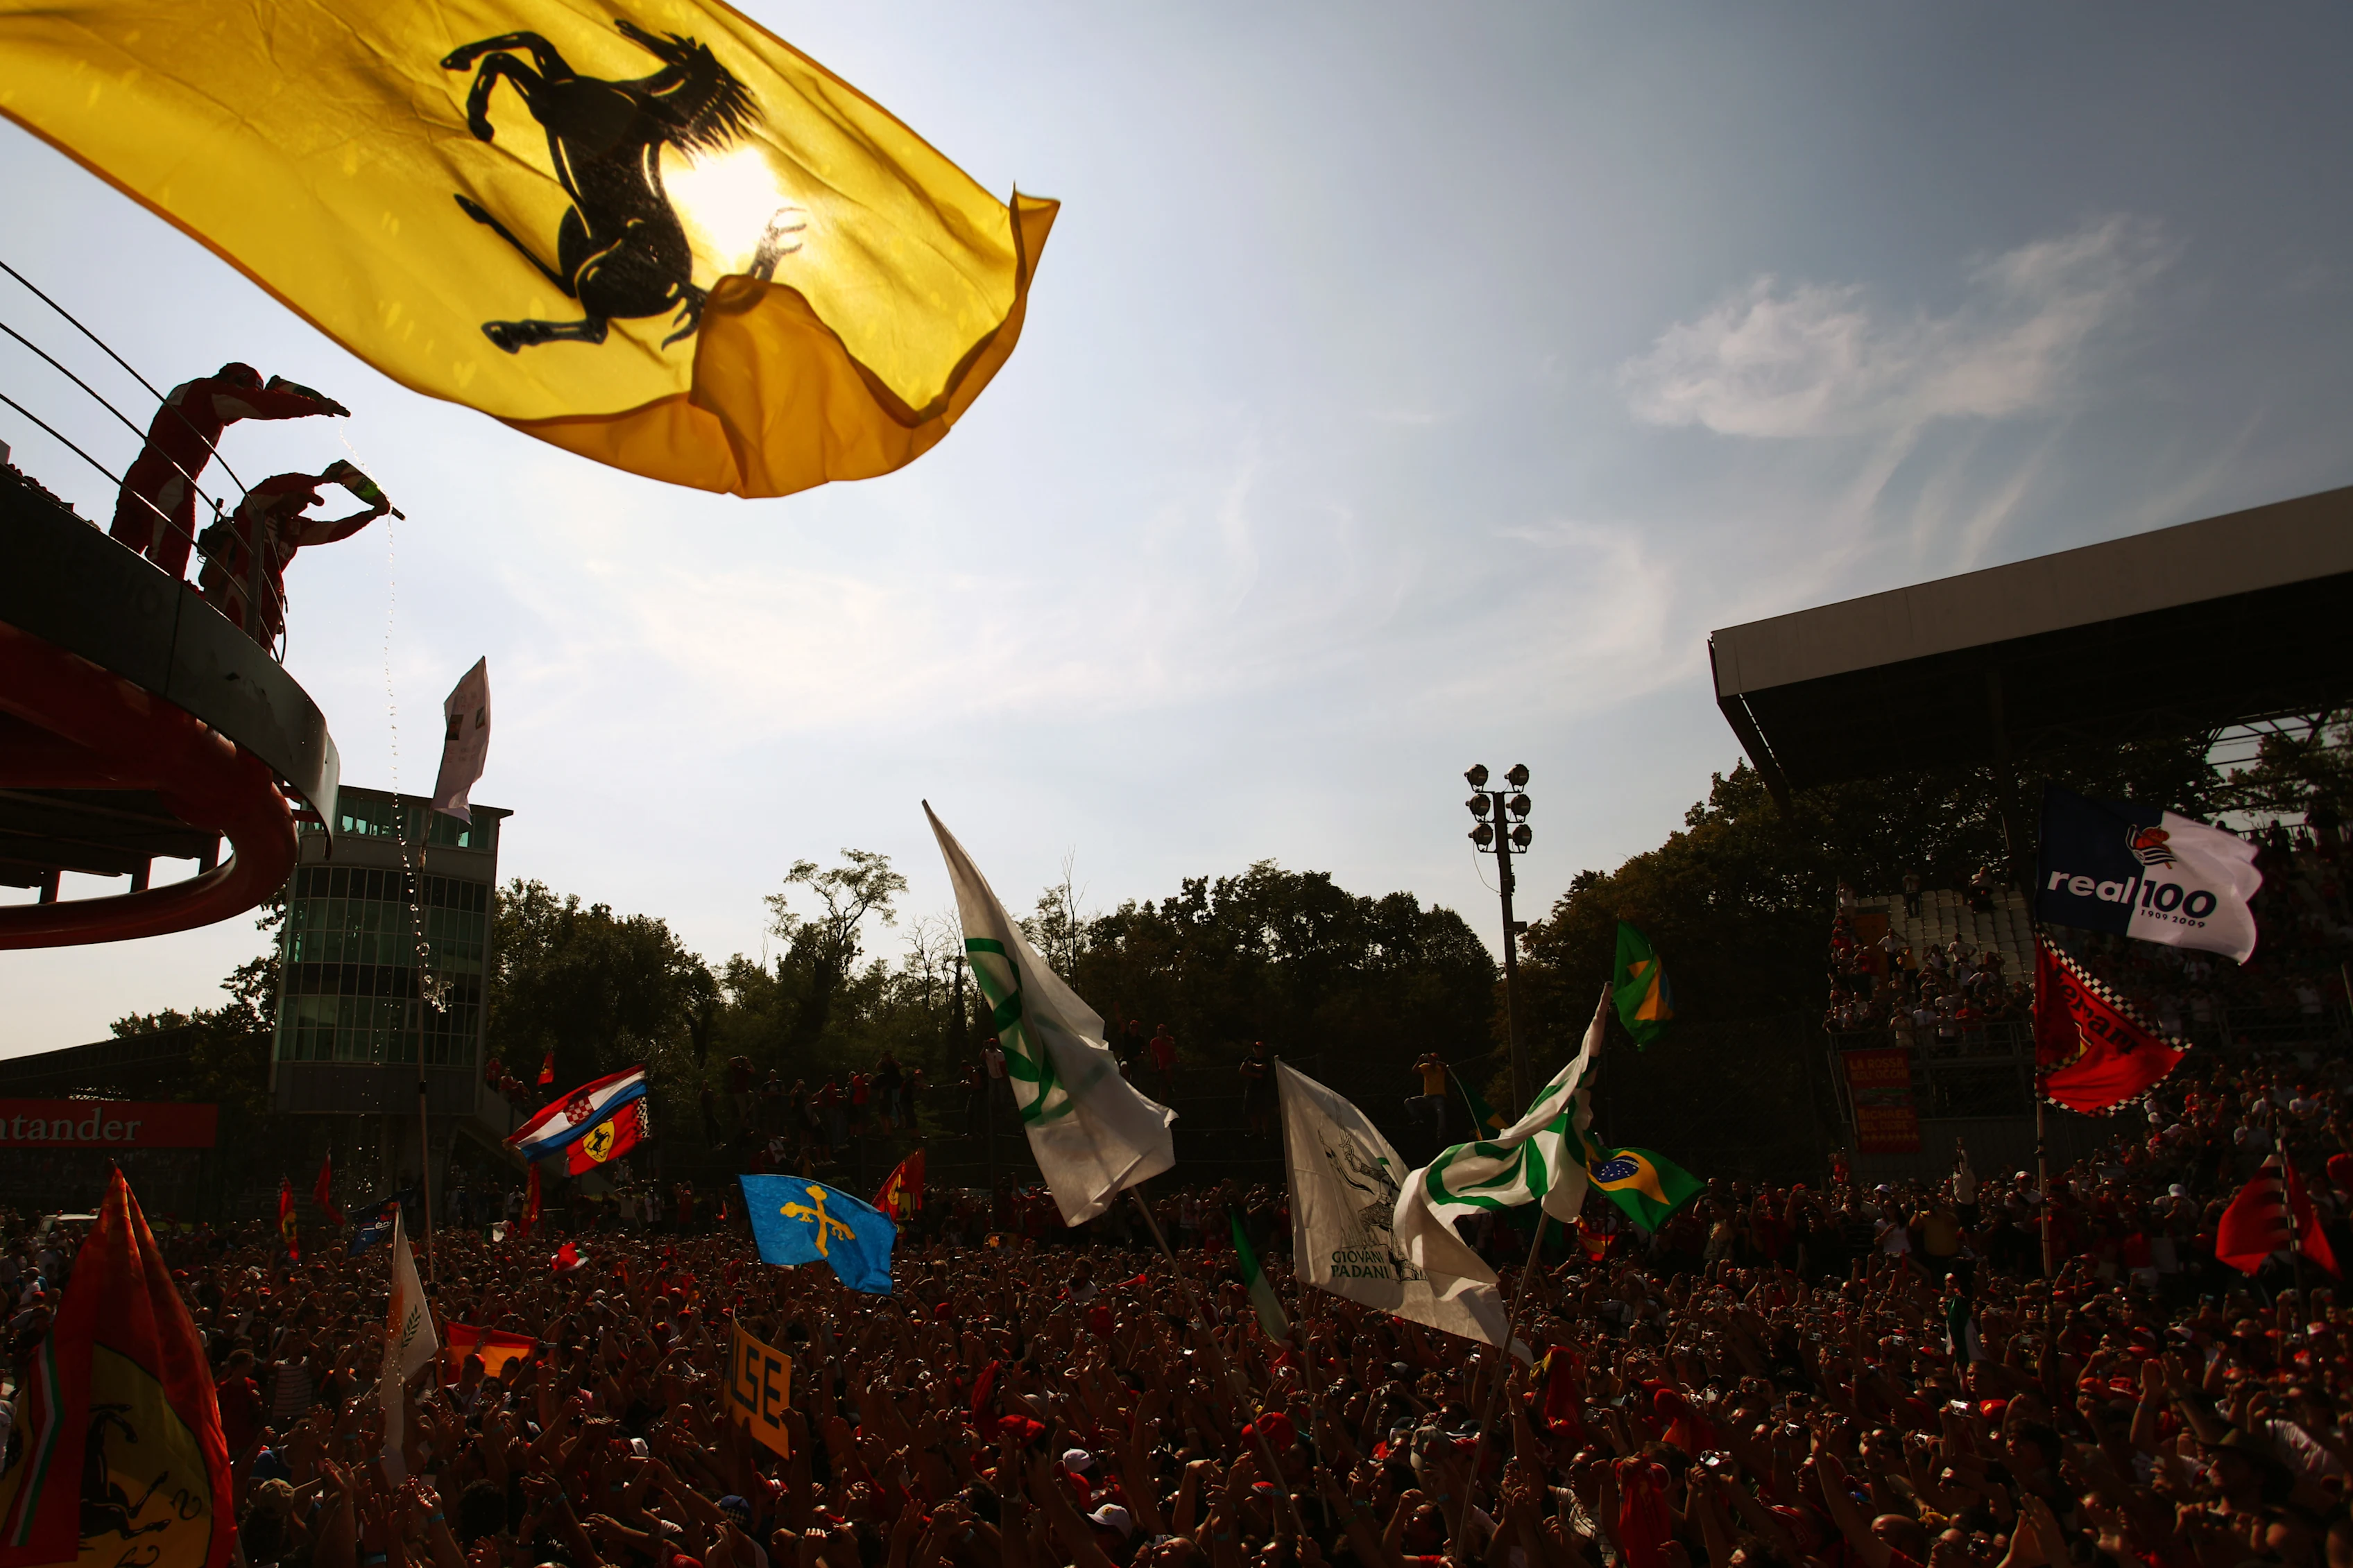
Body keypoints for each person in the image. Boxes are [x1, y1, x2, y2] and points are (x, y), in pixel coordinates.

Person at [110, 363, 349, 578]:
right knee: (170, 557)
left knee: (117, 549)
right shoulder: (214, 393)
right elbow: (264, 405)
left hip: (138, 474)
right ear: (237, 382)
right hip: (170, 479)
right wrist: (317, 406)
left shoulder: (190, 390)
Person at [196, 461, 391, 646]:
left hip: (272, 595)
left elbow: (331, 531)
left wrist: (371, 514)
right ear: (285, 493)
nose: (304, 506)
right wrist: (320, 480)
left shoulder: (295, 528)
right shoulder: (255, 509)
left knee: (258, 652)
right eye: (301, 498)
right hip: (242, 581)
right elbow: (271, 486)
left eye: (308, 502)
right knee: (231, 639)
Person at [1407, 1051, 1449, 1148]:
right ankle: (1418, 1120)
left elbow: (1446, 1067)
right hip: (1427, 1097)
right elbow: (1414, 1071)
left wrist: (1436, 1062)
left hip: (1438, 1097)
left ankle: (1441, 1134)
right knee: (1409, 1101)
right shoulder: (1426, 1067)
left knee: (1441, 1113)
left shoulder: (1440, 1068)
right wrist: (1419, 1061)